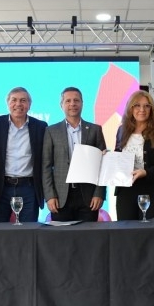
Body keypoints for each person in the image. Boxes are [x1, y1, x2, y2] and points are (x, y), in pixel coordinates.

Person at [42, 87, 106, 222]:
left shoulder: (95, 130)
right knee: (61, 235)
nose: (72, 104)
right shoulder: (51, 131)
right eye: (68, 101)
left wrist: (99, 193)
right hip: (60, 197)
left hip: (89, 197)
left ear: (82, 103)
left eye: (76, 100)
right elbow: (46, 166)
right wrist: (50, 196)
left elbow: (102, 165)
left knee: (88, 234)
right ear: (61, 105)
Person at [0, 87, 47, 223]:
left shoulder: (41, 127)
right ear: (8, 103)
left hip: (28, 188)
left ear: (29, 105)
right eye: (14, 100)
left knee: (28, 230)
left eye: (23, 100)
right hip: (1, 188)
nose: (18, 104)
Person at [114, 90, 154, 220]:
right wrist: (107, 157)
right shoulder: (122, 130)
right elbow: (118, 156)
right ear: (130, 108)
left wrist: (146, 172)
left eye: (146, 106)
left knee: (149, 230)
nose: (142, 110)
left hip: (153, 190)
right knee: (125, 229)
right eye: (137, 105)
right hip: (126, 190)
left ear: (151, 109)